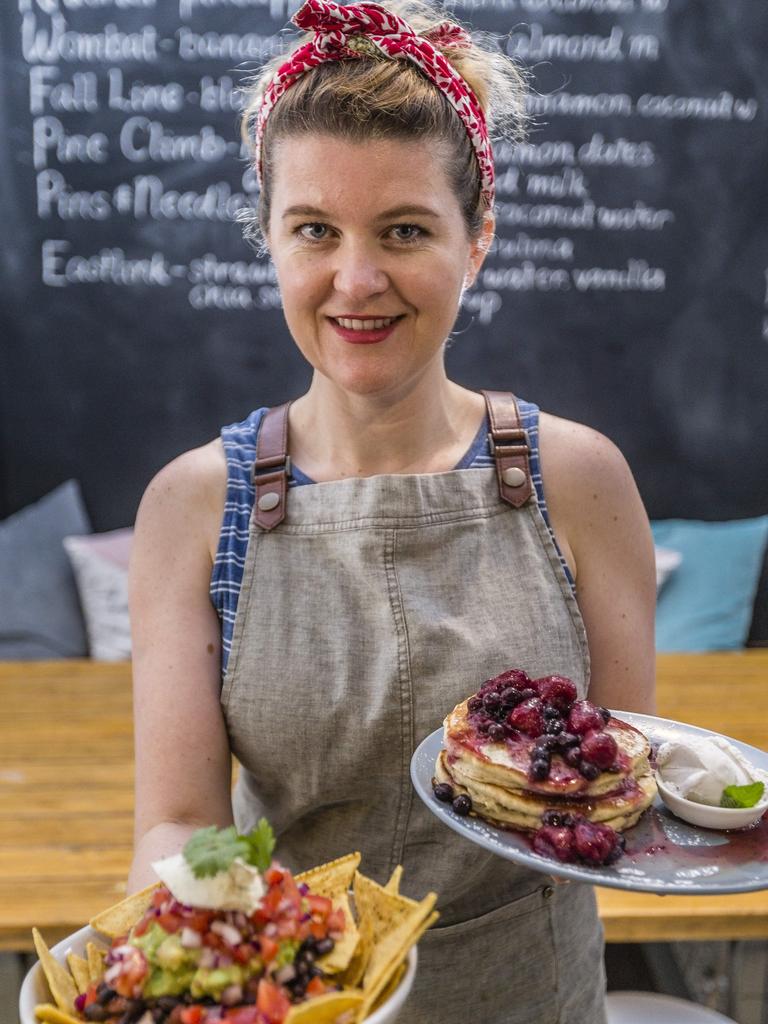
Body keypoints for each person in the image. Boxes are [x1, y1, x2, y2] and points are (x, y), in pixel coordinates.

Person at [127, 0, 656, 1020]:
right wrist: (180, 940)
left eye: (405, 230)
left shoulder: (580, 481)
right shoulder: (193, 507)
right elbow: (178, 827)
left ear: (479, 239)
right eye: (314, 229)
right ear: (269, 238)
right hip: (297, 998)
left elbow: (629, 793)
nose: (355, 281)